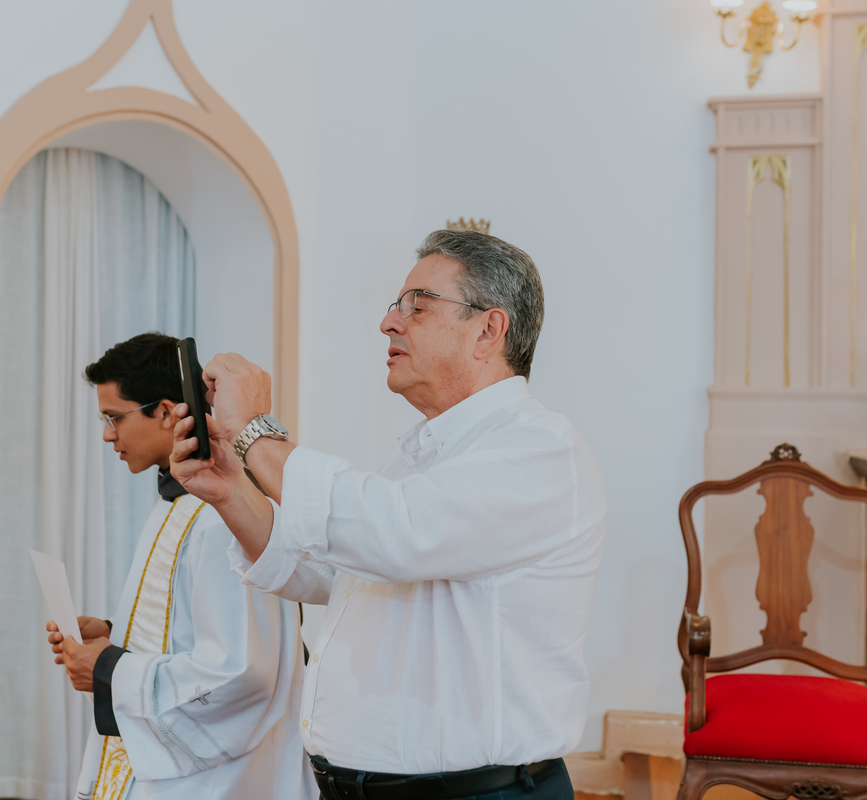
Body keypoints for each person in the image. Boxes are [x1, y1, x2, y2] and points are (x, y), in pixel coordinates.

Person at [170, 230, 608, 800]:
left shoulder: (539, 448)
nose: (389, 323)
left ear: (488, 330)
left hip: (477, 794)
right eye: (395, 307)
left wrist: (256, 432)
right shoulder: (419, 461)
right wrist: (232, 490)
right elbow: (333, 572)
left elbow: (396, 535)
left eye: (417, 306)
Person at [44, 332, 315, 800]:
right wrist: (114, 635)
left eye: (114, 418)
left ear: (167, 411)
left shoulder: (222, 514)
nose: (108, 434)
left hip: (218, 781)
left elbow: (241, 673)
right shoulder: (178, 501)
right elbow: (189, 628)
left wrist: (110, 669)